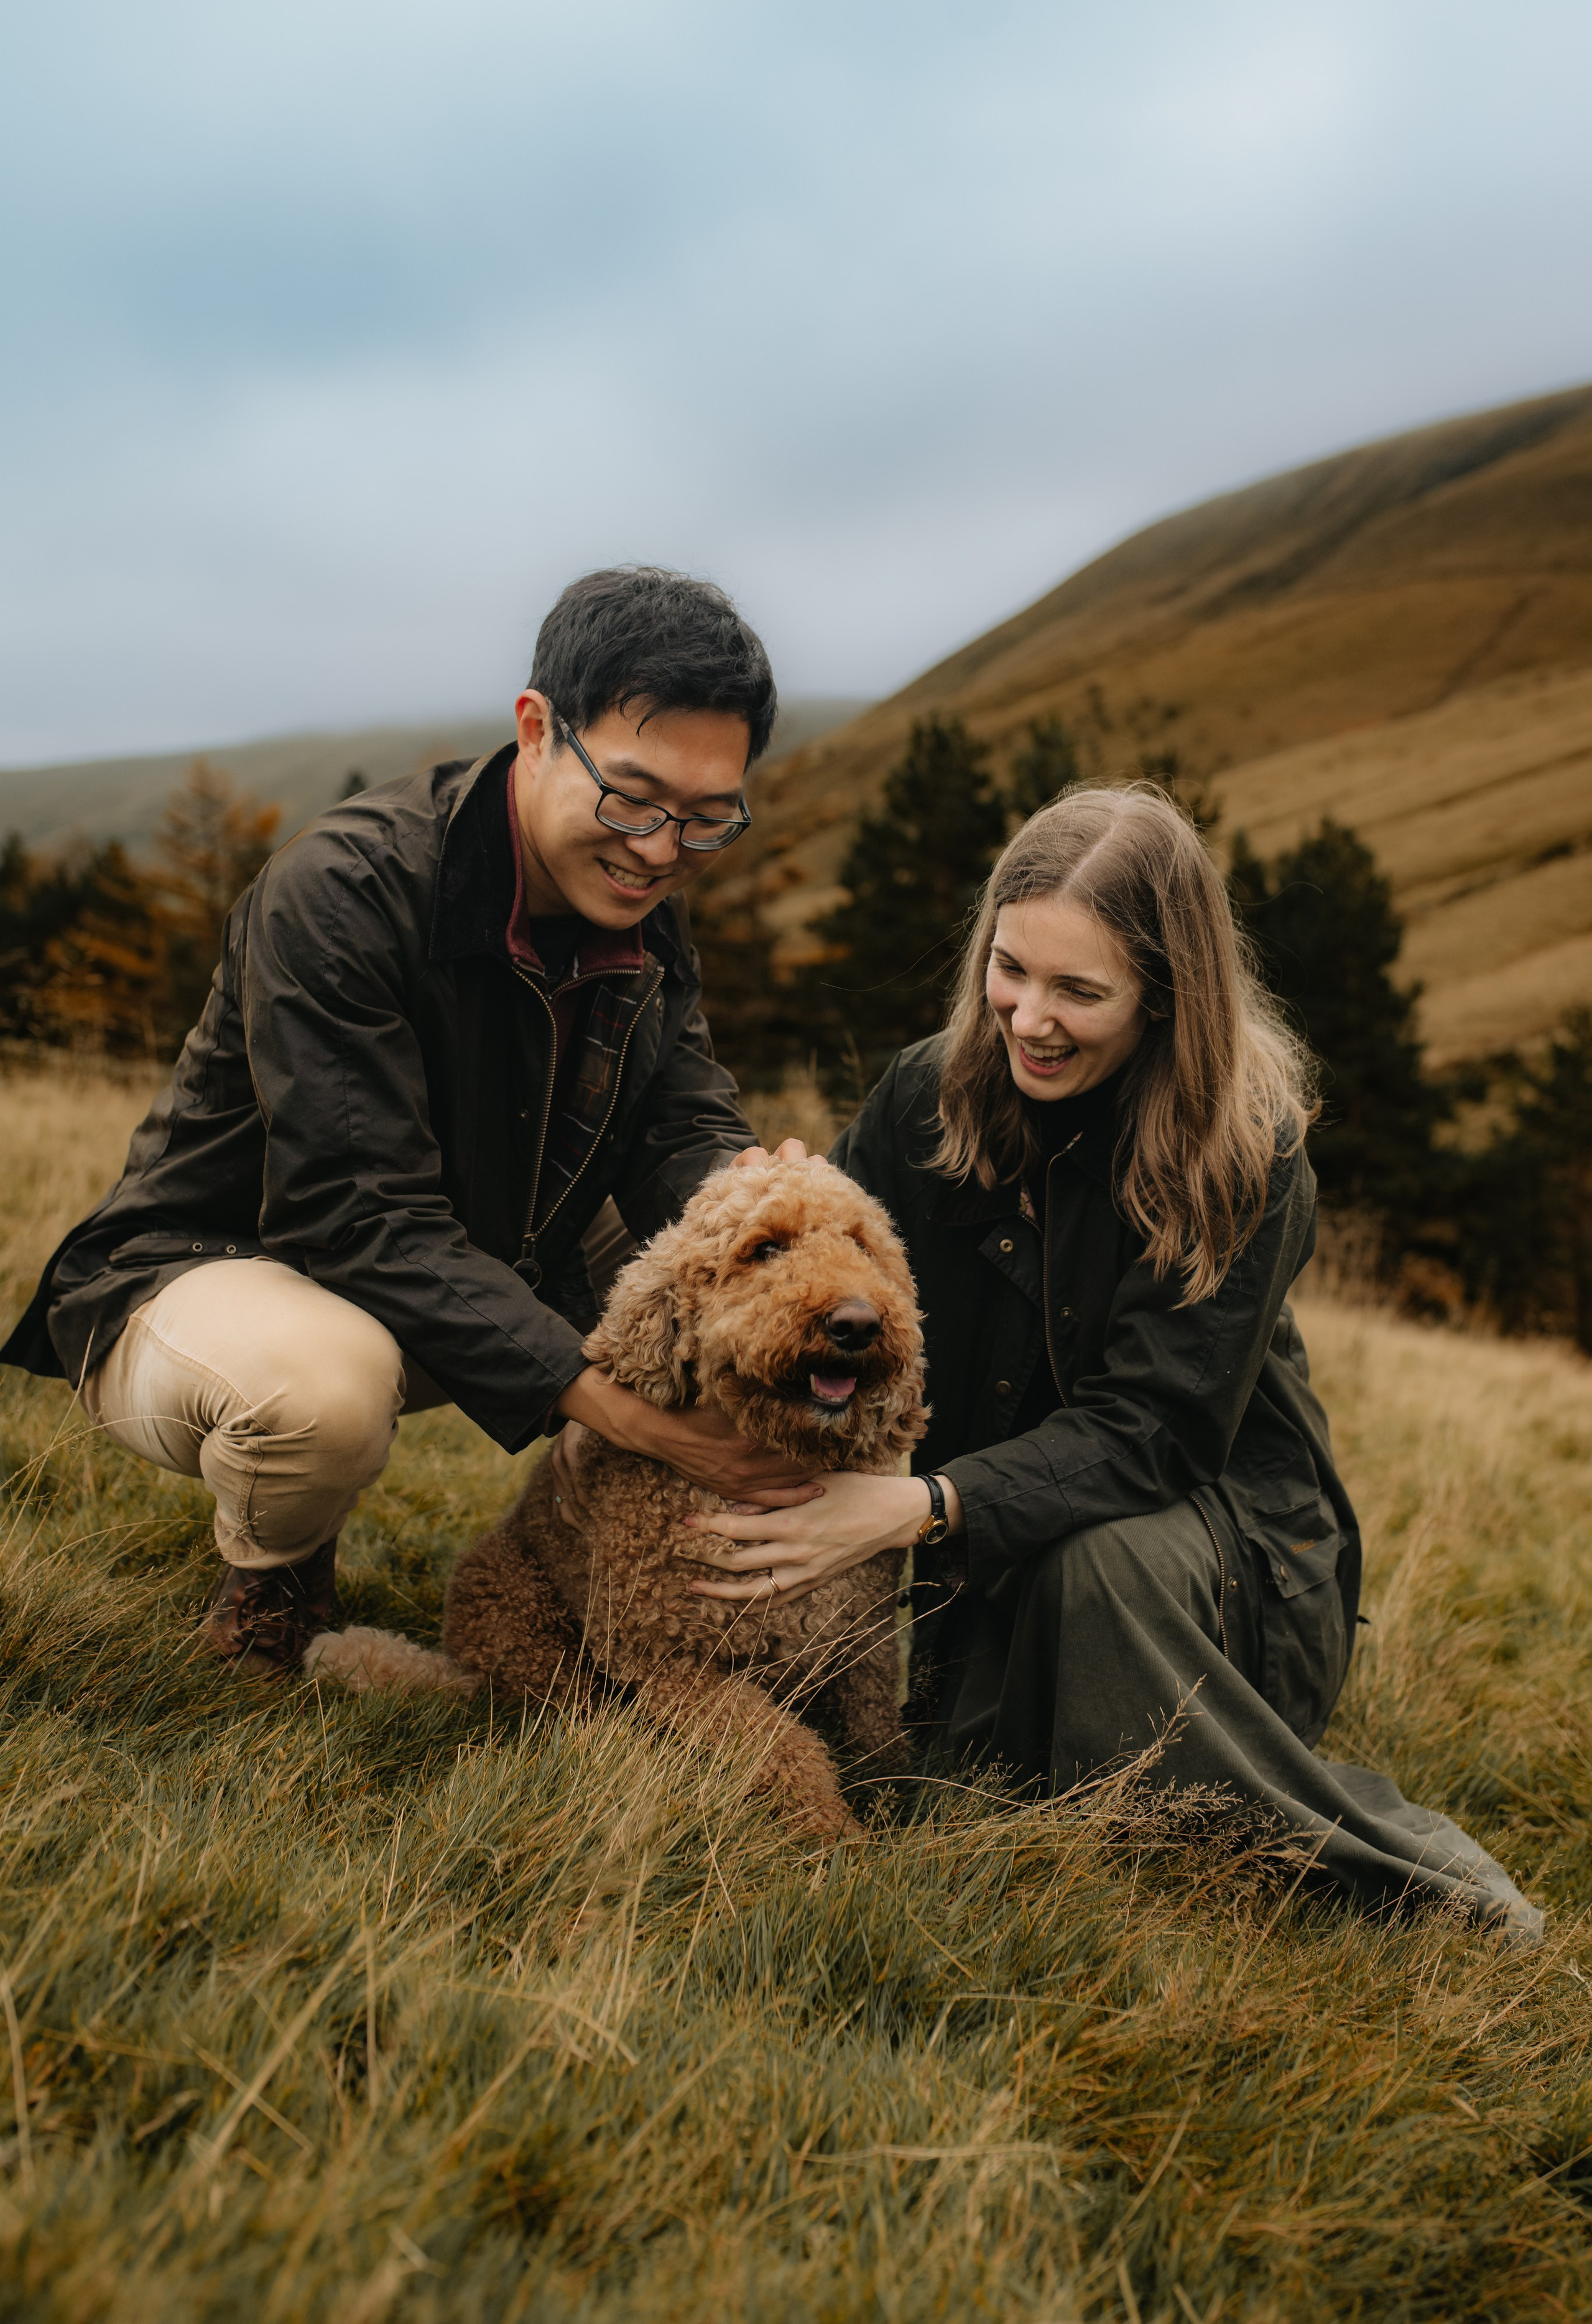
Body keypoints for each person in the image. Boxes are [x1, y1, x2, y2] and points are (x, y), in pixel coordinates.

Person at [692, 784, 1542, 1939]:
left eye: (1079, 991)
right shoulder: (922, 1097)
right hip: (987, 1553)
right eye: (1011, 970)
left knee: (1098, 1562)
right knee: (960, 1761)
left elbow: (1155, 1433)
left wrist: (917, 1507)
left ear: (1164, 998)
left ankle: (1386, 1887)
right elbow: (826, 1293)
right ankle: (1083, 1779)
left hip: (1220, 1564)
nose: (1029, 1018)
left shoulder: (1246, 1152)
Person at [1, 567, 809, 1674]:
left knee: (764, 1265)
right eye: (632, 798)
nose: (663, 850)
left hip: (473, 1249)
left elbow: (681, 1125)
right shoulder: (343, 889)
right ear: (537, 729)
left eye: (709, 820)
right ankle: (273, 1577)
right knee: (323, 1397)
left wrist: (762, 1197)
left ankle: (707, 1573)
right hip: (209, 1270)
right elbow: (358, 1215)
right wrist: (620, 1412)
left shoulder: (640, 906)